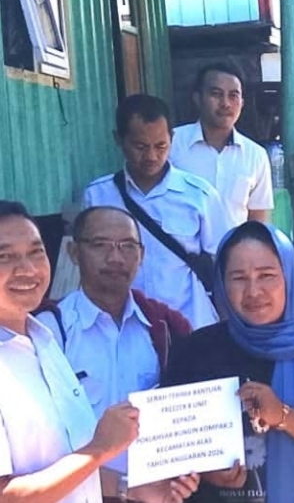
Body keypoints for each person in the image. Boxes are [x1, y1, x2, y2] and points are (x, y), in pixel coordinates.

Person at [161, 221, 294, 503]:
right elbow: (168, 445)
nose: (253, 291)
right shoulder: (196, 351)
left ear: (289, 277)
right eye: (239, 278)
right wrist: (205, 471)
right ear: (221, 284)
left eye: (267, 276)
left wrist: (284, 416)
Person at [0, 200, 194, 503]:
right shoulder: (58, 328)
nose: (27, 269)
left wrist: (130, 489)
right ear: (74, 252)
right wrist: (101, 448)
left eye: (36, 252)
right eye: (5, 256)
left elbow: (69, 461)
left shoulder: (42, 341)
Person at [84, 94, 231, 329]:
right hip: (125, 327)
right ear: (118, 139)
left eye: (161, 146)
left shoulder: (199, 195)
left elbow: (226, 261)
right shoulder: (98, 196)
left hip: (190, 325)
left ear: (172, 139)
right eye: (140, 147)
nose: (151, 156)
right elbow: (86, 267)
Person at [170, 63, 274, 228]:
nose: (225, 103)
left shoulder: (256, 156)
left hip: (234, 245)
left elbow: (258, 223)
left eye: (233, 95)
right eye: (216, 94)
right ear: (197, 98)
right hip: (179, 245)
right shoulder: (172, 144)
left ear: (242, 102)